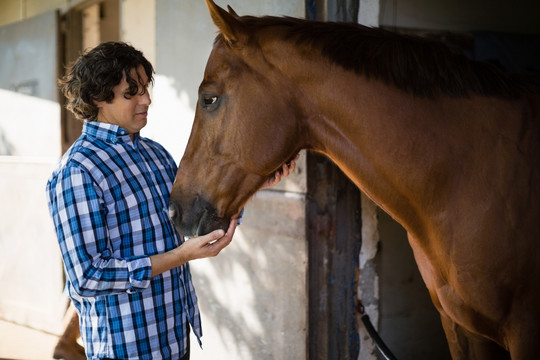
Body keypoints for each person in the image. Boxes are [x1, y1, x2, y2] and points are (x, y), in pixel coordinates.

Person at [46, 41, 297, 360]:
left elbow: (195, 216)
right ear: (97, 98)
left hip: (175, 339)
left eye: (145, 89)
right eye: (131, 92)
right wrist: (180, 256)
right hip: (126, 349)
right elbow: (88, 278)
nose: (146, 99)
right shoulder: (77, 171)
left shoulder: (156, 154)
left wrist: (257, 182)